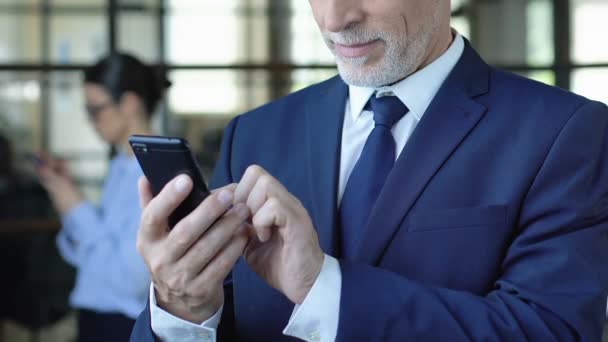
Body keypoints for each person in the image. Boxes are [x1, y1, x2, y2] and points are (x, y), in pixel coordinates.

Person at [131, 0, 608, 341]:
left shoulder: (564, 131)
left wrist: (324, 289)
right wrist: (183, 310)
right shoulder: (256, 133)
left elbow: (552, 330)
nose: (335, 18)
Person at [38, 53, 171, 342]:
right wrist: (71, 200)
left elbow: (131, 280)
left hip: (123, 323)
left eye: (96, 109)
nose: (91, 121)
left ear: (130, 103)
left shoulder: (156, 174)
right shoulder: (121, 165)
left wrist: (77, 209)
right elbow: (85, 255)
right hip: (97, 317)